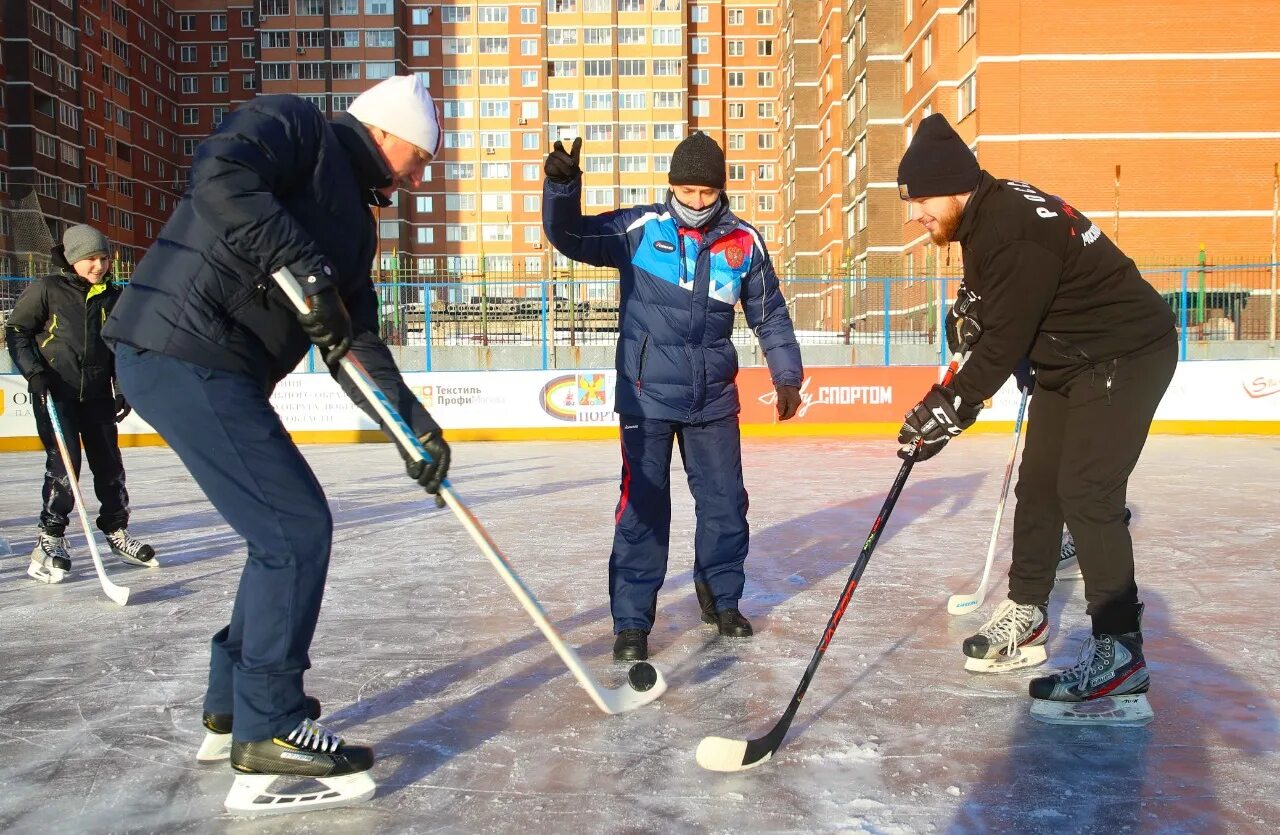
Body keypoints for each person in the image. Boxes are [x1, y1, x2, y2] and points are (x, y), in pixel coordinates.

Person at [102, 75, 450, 812]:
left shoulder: (356, 224)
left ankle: (234, 703)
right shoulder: (296, 126)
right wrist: (305, 269)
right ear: (387, 134)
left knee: (279, 531)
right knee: (295, 528)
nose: (418, 176)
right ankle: (270, 730)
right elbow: (221, 176)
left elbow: (353, 339)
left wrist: (410, 424)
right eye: (418, 158)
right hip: (180, 347)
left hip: (212, 365)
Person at [894, 114, 1176, 722]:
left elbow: (1000, 347)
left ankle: (1120, 653)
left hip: (1123, 352)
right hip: (1071, 360)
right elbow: (996, 303)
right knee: (1040, 486)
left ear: (950, 185)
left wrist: (946, 409)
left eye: (918, 200)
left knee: (1088, 491)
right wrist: (971, 307)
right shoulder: (986, 214)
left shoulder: (1013, 229)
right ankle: (1027, 612)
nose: (914, 215)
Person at [542, 132, 804, 663]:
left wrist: (787, 375)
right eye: (688, 189)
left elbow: (769, 313)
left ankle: (722, 601)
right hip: (646, 399)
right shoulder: (639, 230)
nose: (698, 202)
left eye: (708, 192)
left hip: (712, 398)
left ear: (721, 190)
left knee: (726, 504)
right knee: (643, 508)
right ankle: (633, 622)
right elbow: (568, 234)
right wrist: (562, 187)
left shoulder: (744, 242)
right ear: (672, 186)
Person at [5, 224, 157, 584]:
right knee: (65, 467)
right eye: (91, 259)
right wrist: (34, 374)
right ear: (74, 259)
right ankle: (51, 538)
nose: (99, 266)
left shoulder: (114, 297)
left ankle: (117, 530)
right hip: (56, 394)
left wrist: (123, 387)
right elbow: (16, 330)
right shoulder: (47, 290)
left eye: (104, 259)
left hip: (98, 397)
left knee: (110, 467)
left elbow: (123, 346)